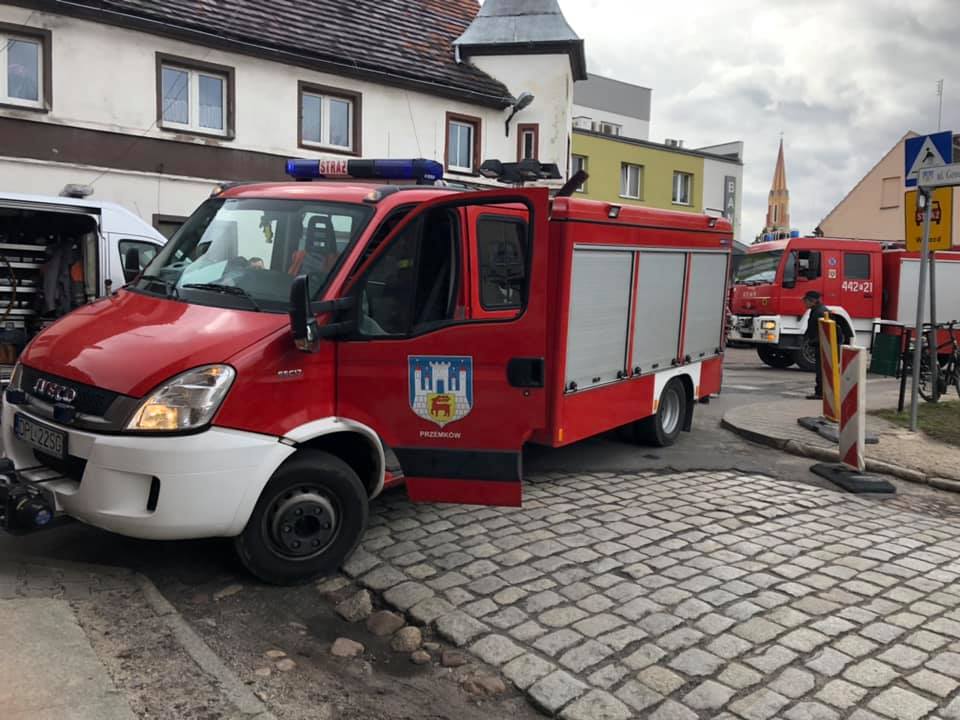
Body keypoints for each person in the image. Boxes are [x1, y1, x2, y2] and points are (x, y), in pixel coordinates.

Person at [803, 290, 828, 399]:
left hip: (822, 345)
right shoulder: (817, 310)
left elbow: (824, 330)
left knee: (821, 370)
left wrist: (814, 341)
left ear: (812, 301)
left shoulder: (820, 312)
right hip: (820, 344)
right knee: (821, 369)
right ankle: (820, 392)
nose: (804, 303)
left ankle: (820, 393)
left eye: (806, 301)